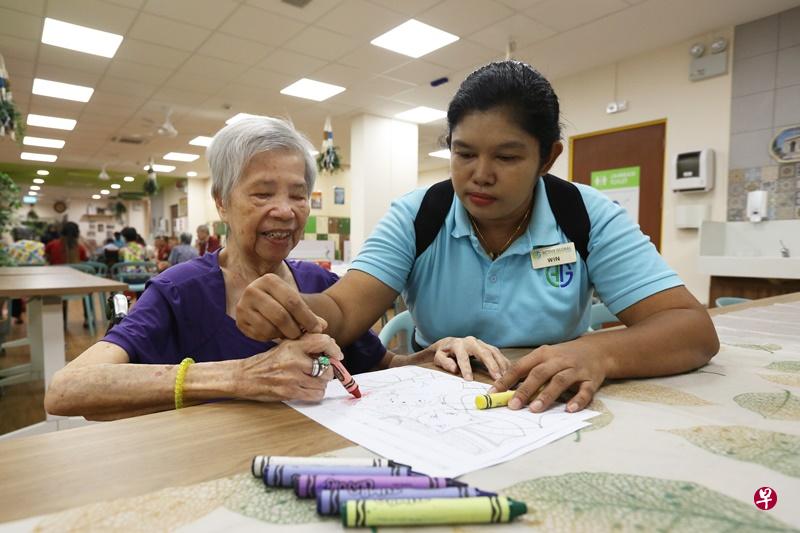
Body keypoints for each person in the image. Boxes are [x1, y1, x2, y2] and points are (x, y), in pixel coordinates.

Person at [234, 61, 719, 414]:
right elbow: (343, 311)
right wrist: (295, 311)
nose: (479, 176)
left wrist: (598, 351)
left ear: (547, 158)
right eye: (463, 154)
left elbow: (691, 329)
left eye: (506, 158)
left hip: (552, 403)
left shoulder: (585, 215)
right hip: (436, 403)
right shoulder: (420, 214)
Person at [44, 117, 427, 421]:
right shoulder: (179, 291)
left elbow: (383, 366)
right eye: (262, 193)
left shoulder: (321, 285)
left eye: (298, 195)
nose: (285, 209)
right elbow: (67, 389)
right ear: (222, 203)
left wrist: (432, 358)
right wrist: (242, 376)